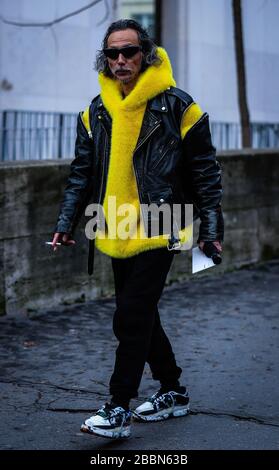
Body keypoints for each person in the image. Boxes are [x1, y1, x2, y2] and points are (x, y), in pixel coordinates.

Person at [52, 19, 224, 439]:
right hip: (114, 226)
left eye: (129, 51)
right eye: (112, 53)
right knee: (140, 313)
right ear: (105, 58)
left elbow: (205, 172)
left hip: (163, 223)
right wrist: (66, 222)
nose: (121, 60)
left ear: (145, 53)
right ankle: (173, 391)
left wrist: (211, 228)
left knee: (130, 315)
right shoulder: (95, 110)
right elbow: (80, 173)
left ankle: (117, 408)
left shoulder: (179, 107)